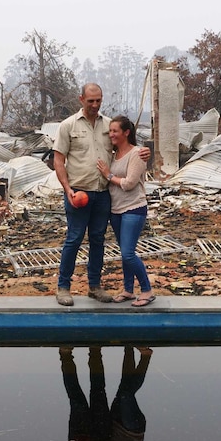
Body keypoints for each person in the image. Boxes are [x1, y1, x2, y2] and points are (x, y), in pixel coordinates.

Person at [52, 84, 150, 307]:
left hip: (103, 194)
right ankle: (63, 287)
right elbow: (58, 160)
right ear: (81, 99)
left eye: (98, 101)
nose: (95, 105)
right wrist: (67, 189)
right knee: (74, 238)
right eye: (90, 101)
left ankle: (94, 286)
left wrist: (144, 151)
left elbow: (126, 146)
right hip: (78, 192)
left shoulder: (109, 126)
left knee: (98, 240)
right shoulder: (68, 126)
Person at [96, 116, 155, 307]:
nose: (111, 134)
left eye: (115, 131)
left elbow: (129, 184)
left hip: (133, 208)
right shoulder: (113, 155)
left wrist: (108, 175)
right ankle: (128, 290)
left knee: (129, 253)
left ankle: (147, 290)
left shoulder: (137, 153)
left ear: (126, 132)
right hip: (116, 210)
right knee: (124, 253)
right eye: (110, 131)